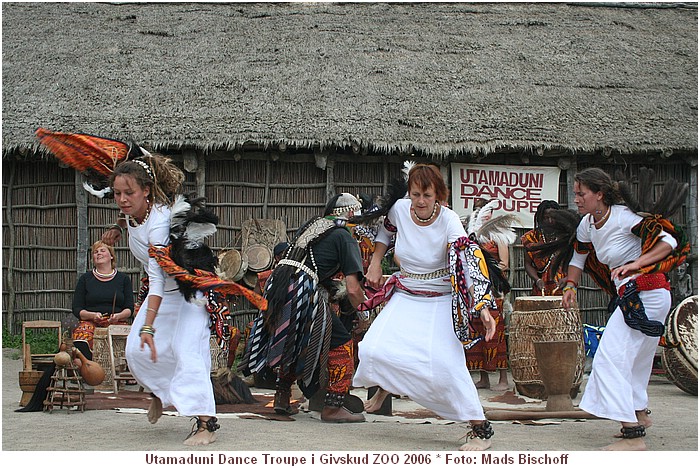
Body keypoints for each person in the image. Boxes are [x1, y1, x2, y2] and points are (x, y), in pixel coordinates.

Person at [352, 163, 497, 451]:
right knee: (372, 349)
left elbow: (468, 262)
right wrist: (378, 260)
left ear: (439, 196)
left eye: (427, 195)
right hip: (406, 292)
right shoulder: (399, 211)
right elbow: (385, 233)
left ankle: (480, 429)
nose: (420, 201)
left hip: (440, 298)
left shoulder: (449, 220)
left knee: (446, 366)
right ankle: (387, 385)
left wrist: (482, 307)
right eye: (415, 194)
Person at [561, 167, 684, 451]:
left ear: (599, 194)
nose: (576, 199)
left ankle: (634, 436)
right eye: (576, 194)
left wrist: (637, 263)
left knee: (608, 359)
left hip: (648, 293)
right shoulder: (588, 224)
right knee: (636, 361)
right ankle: (639, 413)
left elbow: (670, 241)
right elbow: (579, 257)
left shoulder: (623, 217)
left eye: (582, 194)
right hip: (635, 296)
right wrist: (570, 286)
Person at [111, 153, 227, 446]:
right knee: (136, 351)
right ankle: (160, 394)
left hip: (189, 293)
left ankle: (206, 425)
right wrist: (117, 227)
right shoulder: (133, 213)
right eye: (117, 193)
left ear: (146, 191)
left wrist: (148, 326)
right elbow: (129, 220)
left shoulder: (160, 223)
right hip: (163, 291)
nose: (122, 199)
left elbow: (157, 282)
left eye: (129, 193)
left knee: (186, 350)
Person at [241, 193, 368, 423]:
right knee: (341, 343)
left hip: (279, 285)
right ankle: (333, 406)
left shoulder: (314, 227)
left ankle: (282, 396)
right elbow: (352, 289)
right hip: (301, 288)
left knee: (295, 340)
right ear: (351, 215)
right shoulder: (343, 236)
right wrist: (366, 314)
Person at [464, 198, 514, 392]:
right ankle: (483, 377)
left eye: (484, 211)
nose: (481, 214)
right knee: (477, 331)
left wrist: (486, 273)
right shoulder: (471, 235)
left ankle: (503, 378)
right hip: (474, 291)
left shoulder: (498, 234)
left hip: (494, 289)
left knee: (497, 333)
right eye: (477, 211)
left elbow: (504, 263)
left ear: (490, 213)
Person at [71, 240, 134, 361]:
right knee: (81, 338)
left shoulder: (123, 279)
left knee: (130, 342)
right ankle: (90, 367)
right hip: (91, 322)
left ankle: (123, 368)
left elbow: (129, 308)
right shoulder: (85, 279)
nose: (98, 253)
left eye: (102, 250)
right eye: (95, 252)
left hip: (117, 322)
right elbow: (77, 308)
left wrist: (118, 316)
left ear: (111, 256)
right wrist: (92, 315)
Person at [521, 200, 566, 296]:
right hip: (540, 291)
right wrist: (537, 280)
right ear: (540, 218)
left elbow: (577, 262)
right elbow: (528, 263)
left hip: (564, 289)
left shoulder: (566, 236)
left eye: (553, 218)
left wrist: (568, 279)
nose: (550, 221)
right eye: (546, 218)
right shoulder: (531, 238)